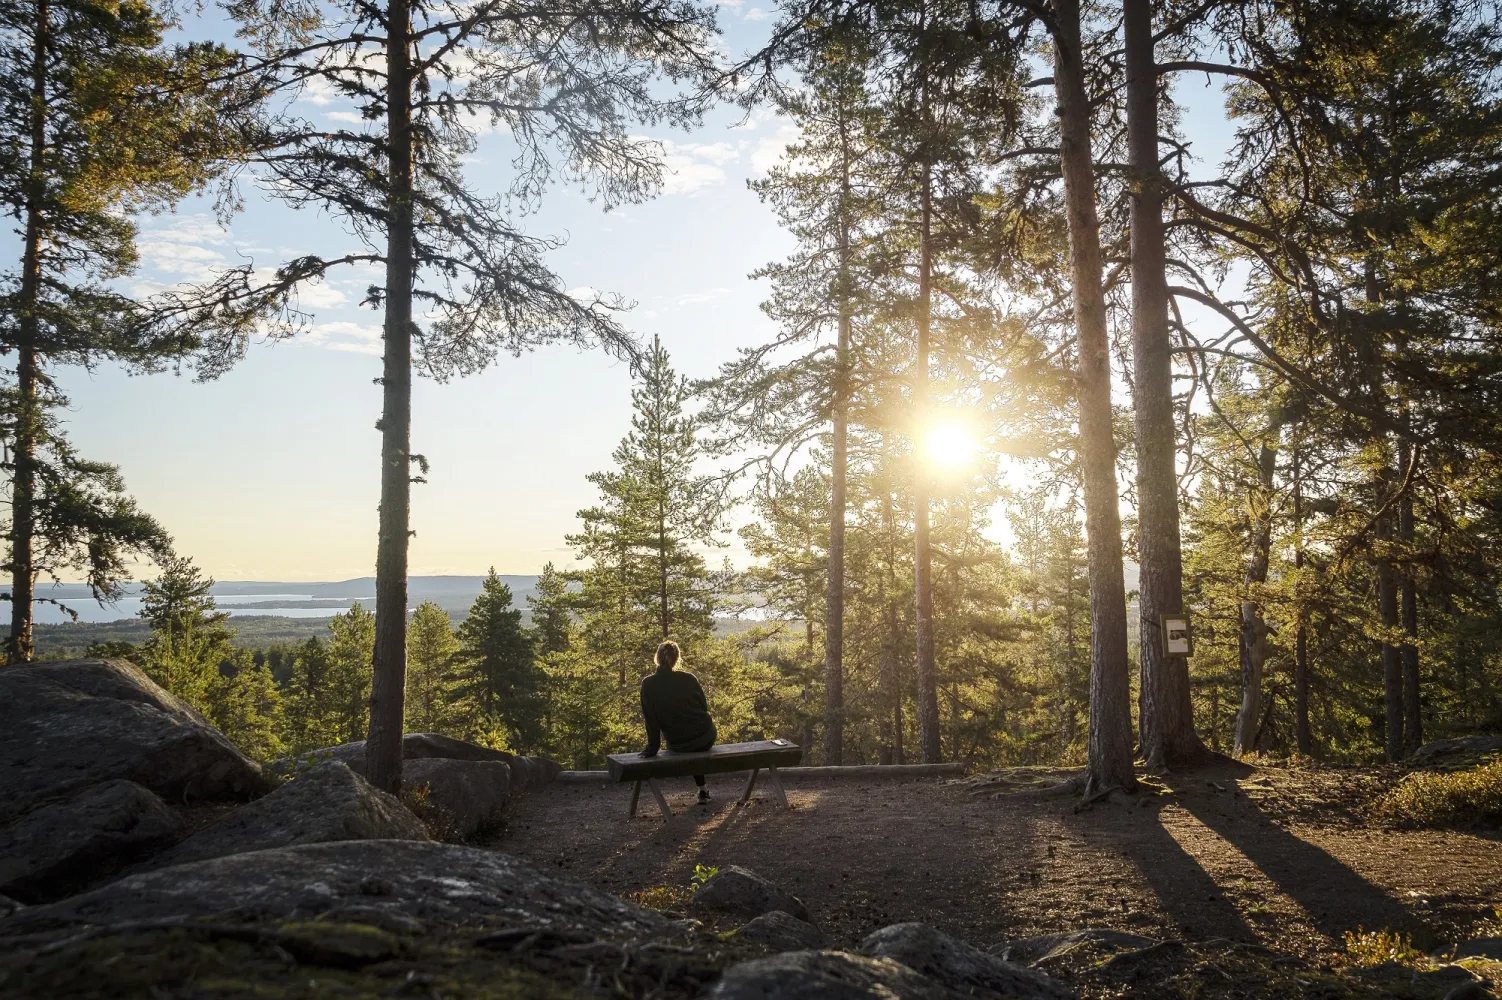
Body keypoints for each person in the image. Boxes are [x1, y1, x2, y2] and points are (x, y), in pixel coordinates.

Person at [639, 639, 717, 803]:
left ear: (657, 658)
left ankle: (703, 790)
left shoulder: (648, 684)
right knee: (693, 741)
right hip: (705, 736)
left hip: (678, 742)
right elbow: (703, 706)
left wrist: (652, 748)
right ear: (677, 658)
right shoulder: (689, 678)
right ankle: (702, 790)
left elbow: (651, 720)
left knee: (687, 742)